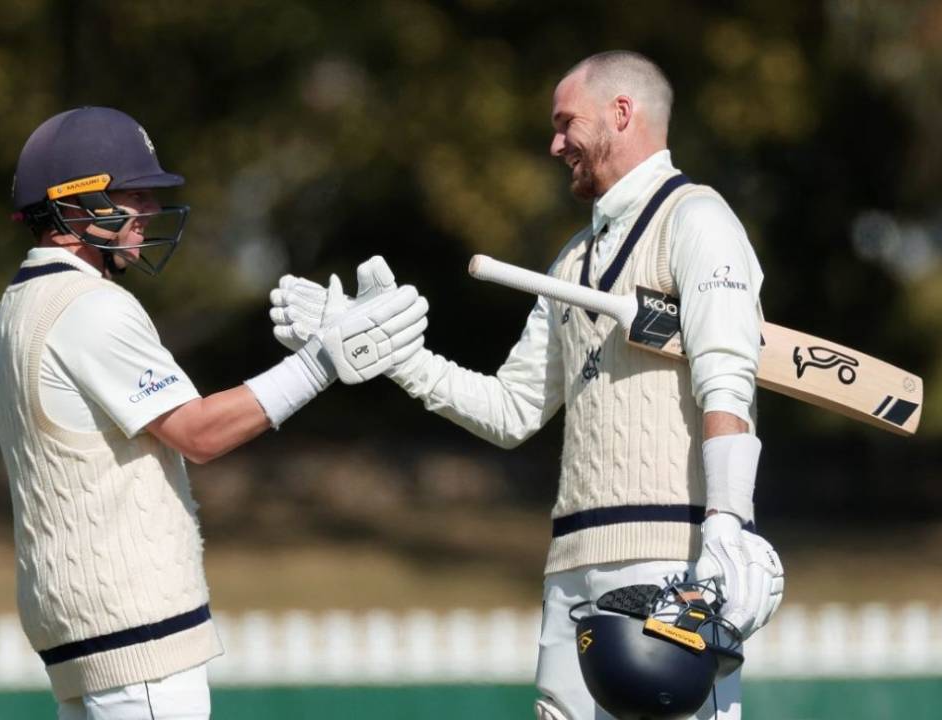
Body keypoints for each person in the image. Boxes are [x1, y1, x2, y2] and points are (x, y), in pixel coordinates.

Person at [269, 51, 784, 719]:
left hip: (671, 560)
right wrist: (392, 354)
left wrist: (727, 525)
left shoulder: (697, 220)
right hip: (573, 563)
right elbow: (512, 409)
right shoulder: (572, 260)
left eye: (566, 123)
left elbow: (727, 379)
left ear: (621, 113)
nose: (554, 143)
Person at [0, 106, 428, 720]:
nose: (151, 214)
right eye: (134, 195)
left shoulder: (11, 313)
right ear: (76, 205)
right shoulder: (89, 305)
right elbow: (199, 432)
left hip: (73, 626)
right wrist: (324, 362)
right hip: (135, 629)